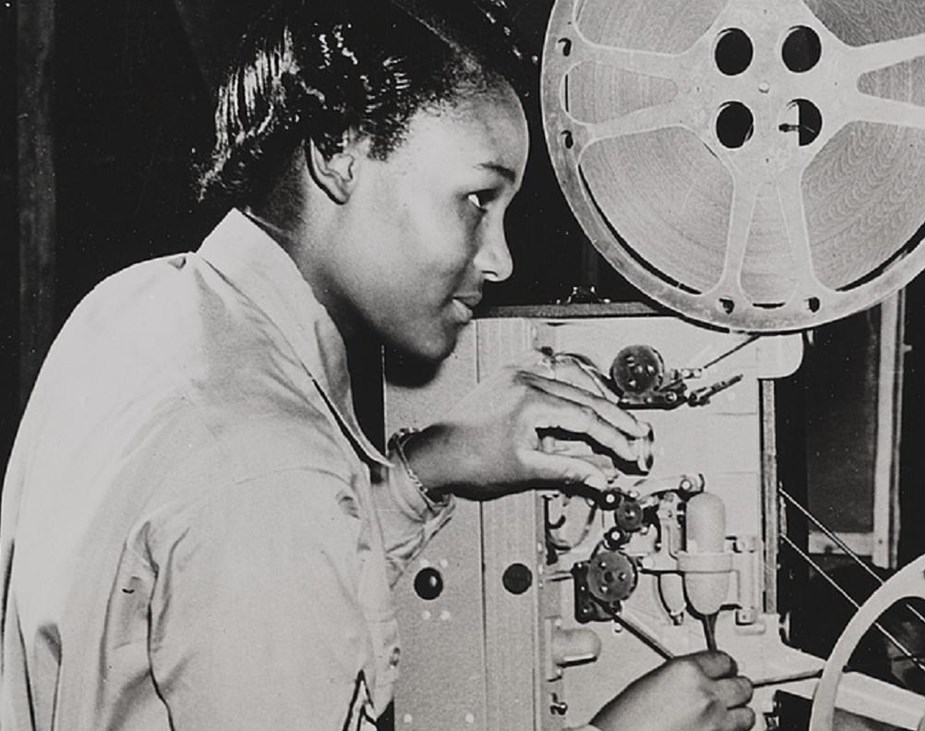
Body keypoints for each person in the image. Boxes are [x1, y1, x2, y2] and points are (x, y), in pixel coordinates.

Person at [0, 1, 754, 730]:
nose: (500, 257)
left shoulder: (131, 306)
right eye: (476, 199)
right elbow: (268, 509)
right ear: (340, 154)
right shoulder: (269, 470)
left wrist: (426, 467)